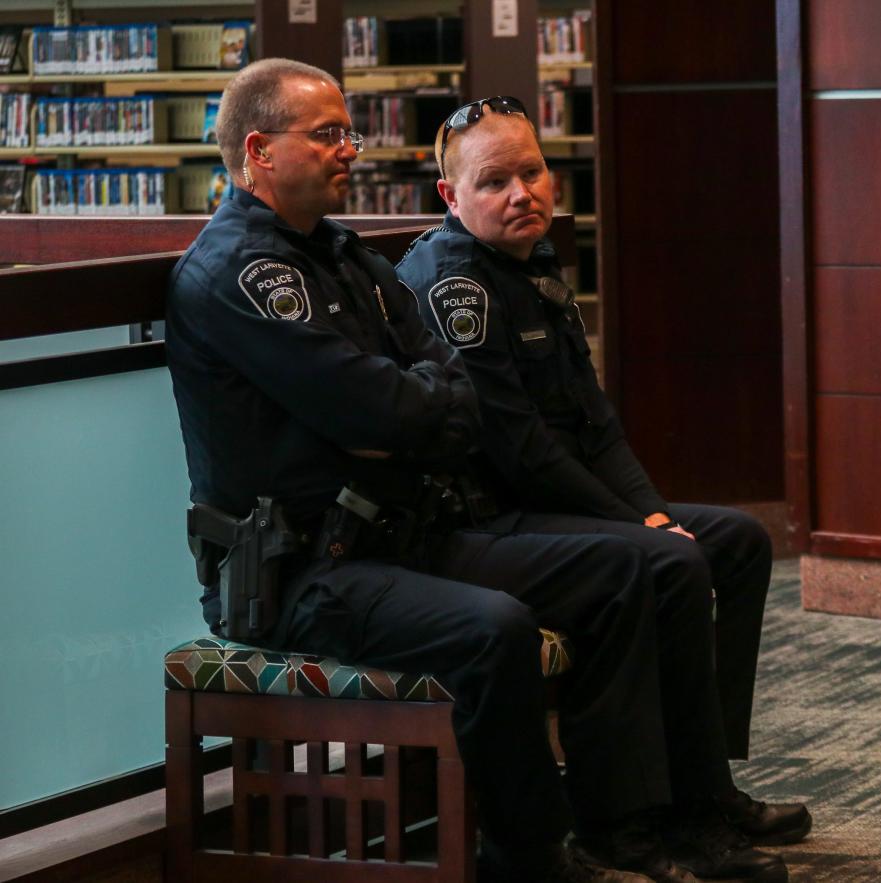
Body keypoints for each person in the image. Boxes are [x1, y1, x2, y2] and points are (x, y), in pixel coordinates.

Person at [165, 59, 787, 883]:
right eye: (327, 135)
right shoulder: (240, 275)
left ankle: (630, 820)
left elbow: (444, 397)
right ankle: (529, 858)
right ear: (258, 150)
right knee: (494, 628)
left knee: (630, 564)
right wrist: (408, 409)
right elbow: (379, 410)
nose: (349, 149)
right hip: (304, 572)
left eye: (348, 131)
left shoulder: (347, 257)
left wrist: (409, 410)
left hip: (399, 537)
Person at [395, 97, 812, 861]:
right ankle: (640, 813)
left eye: (532, 171)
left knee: (738, 542)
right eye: (494, 182)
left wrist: (651, 511)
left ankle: (704, 784)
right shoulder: (454, 285)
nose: (522, 193)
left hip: (546, 505)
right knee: (669, 558)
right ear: (450, 198)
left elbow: (594, 423)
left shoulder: (534, 262)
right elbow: (519, 449)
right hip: (484, 520)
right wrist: (646, 530)